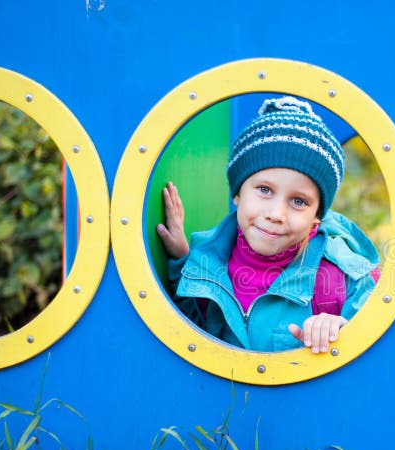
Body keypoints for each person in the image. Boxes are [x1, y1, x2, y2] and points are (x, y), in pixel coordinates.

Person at [156, 96, 380, 353]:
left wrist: (342, 328)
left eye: (298, 201)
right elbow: (192, 339)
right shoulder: (207, 265)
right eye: (264, 190)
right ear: (238, 193)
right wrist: (182, 261)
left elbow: (377, 343)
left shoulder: (339, 280)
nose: (276, 213)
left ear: (316, 216)